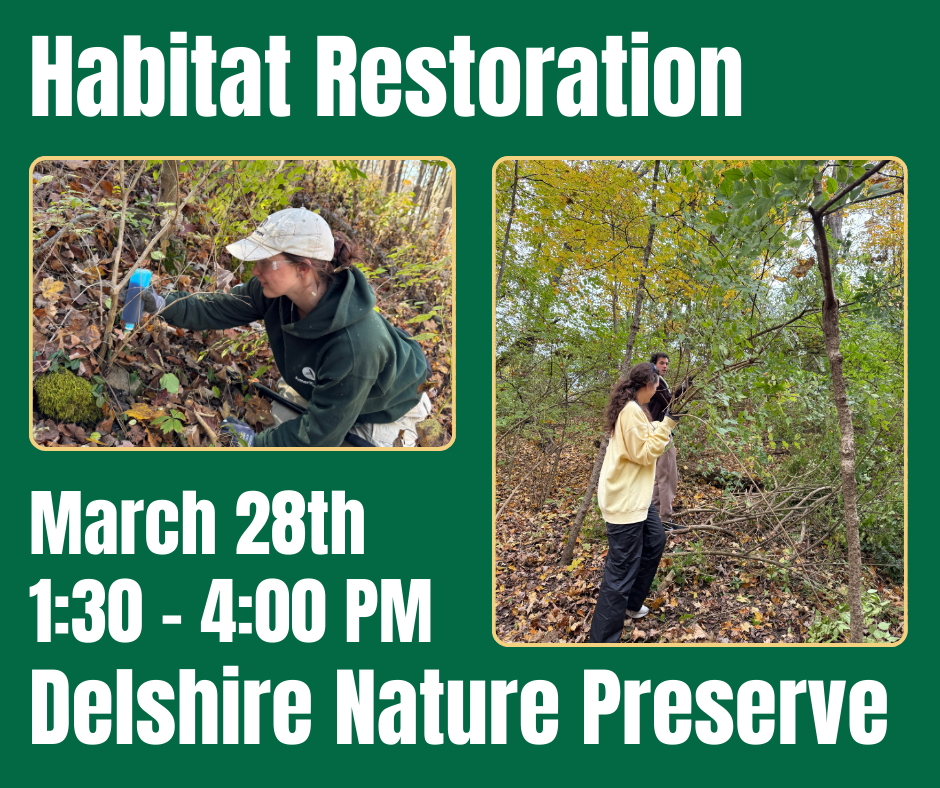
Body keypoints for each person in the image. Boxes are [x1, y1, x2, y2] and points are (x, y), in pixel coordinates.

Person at [128, 207, 432, 447]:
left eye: (265, 262)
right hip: (331, 390)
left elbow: (320, 435)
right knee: (281, 426)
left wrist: (255, 444)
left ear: (303, 269)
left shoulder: (353, 345)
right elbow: (217, 307)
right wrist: (162, 303)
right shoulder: (275, 292)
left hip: (388, 410)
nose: (255, 271)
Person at [589, 362, 682, 643]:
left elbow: (643, 433)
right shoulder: (630, 411)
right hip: (625, 503)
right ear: (647, 385)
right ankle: (602, 640)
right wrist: (667, 425)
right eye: (655, 387)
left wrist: (661, 423)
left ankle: (630, 603)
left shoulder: (635, 409)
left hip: (637, 500)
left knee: (655, 541)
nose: (656, 393)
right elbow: (644, 453)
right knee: (620, 572)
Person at [647, 351, 691, 525]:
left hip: (656, 432)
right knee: (668, 478)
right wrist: (684, 388)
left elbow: (668, 400)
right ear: (654, 364)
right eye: (662, 363)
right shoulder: (655, 382)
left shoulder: (654, 382)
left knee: (659, 478)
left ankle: (655, 516)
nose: (665, 366)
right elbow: (669, 402)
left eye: (667, 363)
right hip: (661, 433)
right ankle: (665, 520)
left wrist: (684, 388)